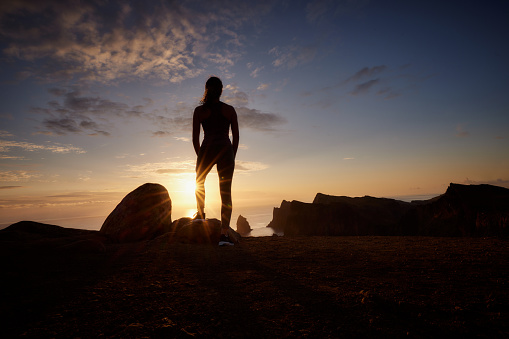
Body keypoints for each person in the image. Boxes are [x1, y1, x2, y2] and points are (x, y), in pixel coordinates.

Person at [192, 76, 239, 246]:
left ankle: (200, 214)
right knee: (225, 192)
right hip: (226, 150)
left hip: (207, 149)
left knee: (199, 181)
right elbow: (236, 137)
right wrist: (231, 155)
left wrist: (201, 157)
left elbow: (195, 139)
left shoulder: (199, 111)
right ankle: (224, 235)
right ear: (221, 91)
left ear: (206, 89)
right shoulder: (230, 110)